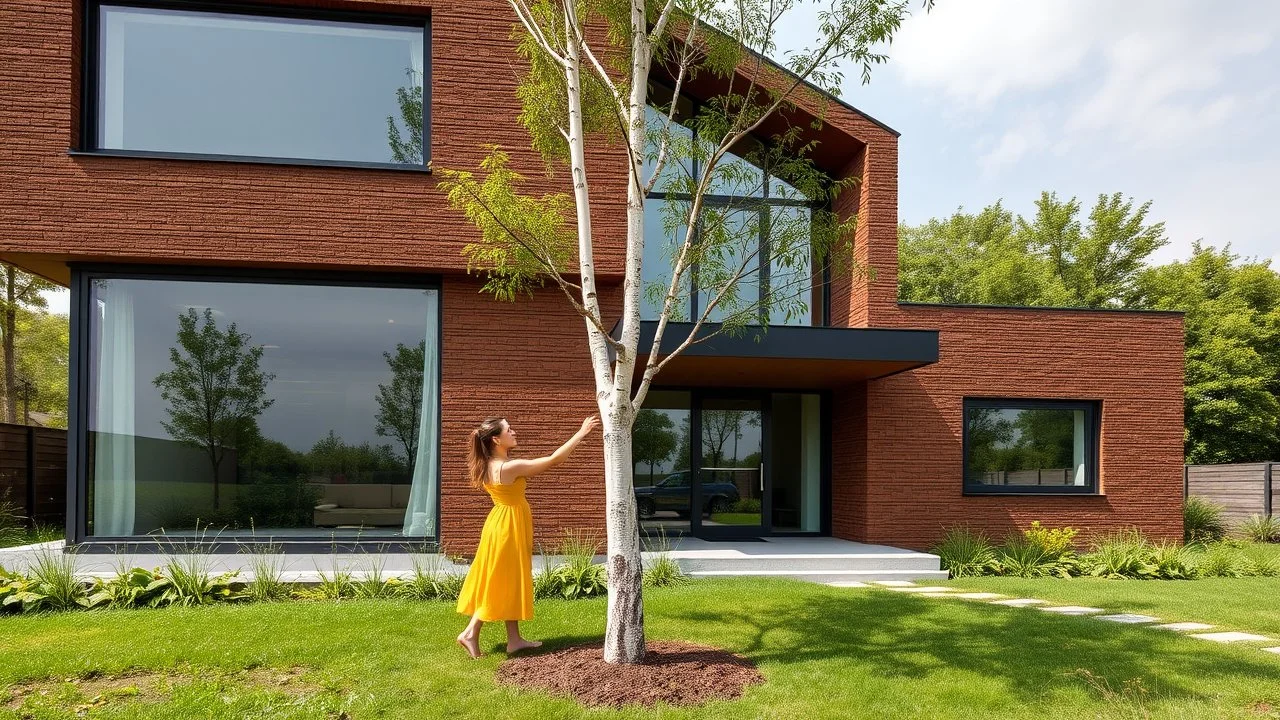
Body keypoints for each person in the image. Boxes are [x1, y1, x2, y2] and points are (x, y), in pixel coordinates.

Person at [455, 414, 600, 659]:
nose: (514, 433)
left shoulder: (488, 464)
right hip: (508, 527)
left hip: (499, 524)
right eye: (509, 430)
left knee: (507, 578)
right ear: (496, 439)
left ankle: (514, 640)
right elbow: (554, 460)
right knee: (500, 580)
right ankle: (470, 632)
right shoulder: (509, 467)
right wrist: (581, 433)